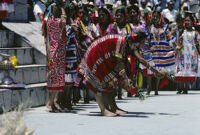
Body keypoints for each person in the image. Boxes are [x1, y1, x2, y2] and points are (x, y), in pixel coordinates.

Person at [78, 32, 164, 117]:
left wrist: (155, 71)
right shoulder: (120, 43)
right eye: (142, 42)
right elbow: (119, 64)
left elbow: (140, 59)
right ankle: (103, 109)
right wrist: (126, 79)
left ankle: (113, 107)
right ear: (137, 41)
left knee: (111, 81)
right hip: (97, 54)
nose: (142, 45)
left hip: (107, 57)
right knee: (98, 82)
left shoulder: (131, 44)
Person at [42, 1, 67, 112]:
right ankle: (50, 102)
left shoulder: (48, 21)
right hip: (55, 53)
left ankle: (52, 102)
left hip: (55, 52)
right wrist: (62, 9)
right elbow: (64, 20)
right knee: (55, 78)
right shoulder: (54, 22)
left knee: (55, 78)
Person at [146, 10, 176, 95]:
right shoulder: (149, 28)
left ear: (160, 18)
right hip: (153, 50)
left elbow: (169, 37)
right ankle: (149, 87)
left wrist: (176, 45)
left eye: (157, 16)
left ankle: (156, 89)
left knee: (159, 69)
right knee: (150, 68)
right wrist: (149, 46)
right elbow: (147, 39)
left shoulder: (164, 27)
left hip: (162, 51)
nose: (155, 18)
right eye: (154, 16)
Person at [175, 14, 200, 94]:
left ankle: (186, 88)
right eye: (185, 20)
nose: (186, 22)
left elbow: (198, 44)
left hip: (191, 54)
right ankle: (182, 87)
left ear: (192, 22)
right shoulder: (182, 31)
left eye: (188, 20)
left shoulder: (195, 33)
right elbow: (179, 41)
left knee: (188, 70)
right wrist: (178, 47)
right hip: (183, 53)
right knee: (182, 69)